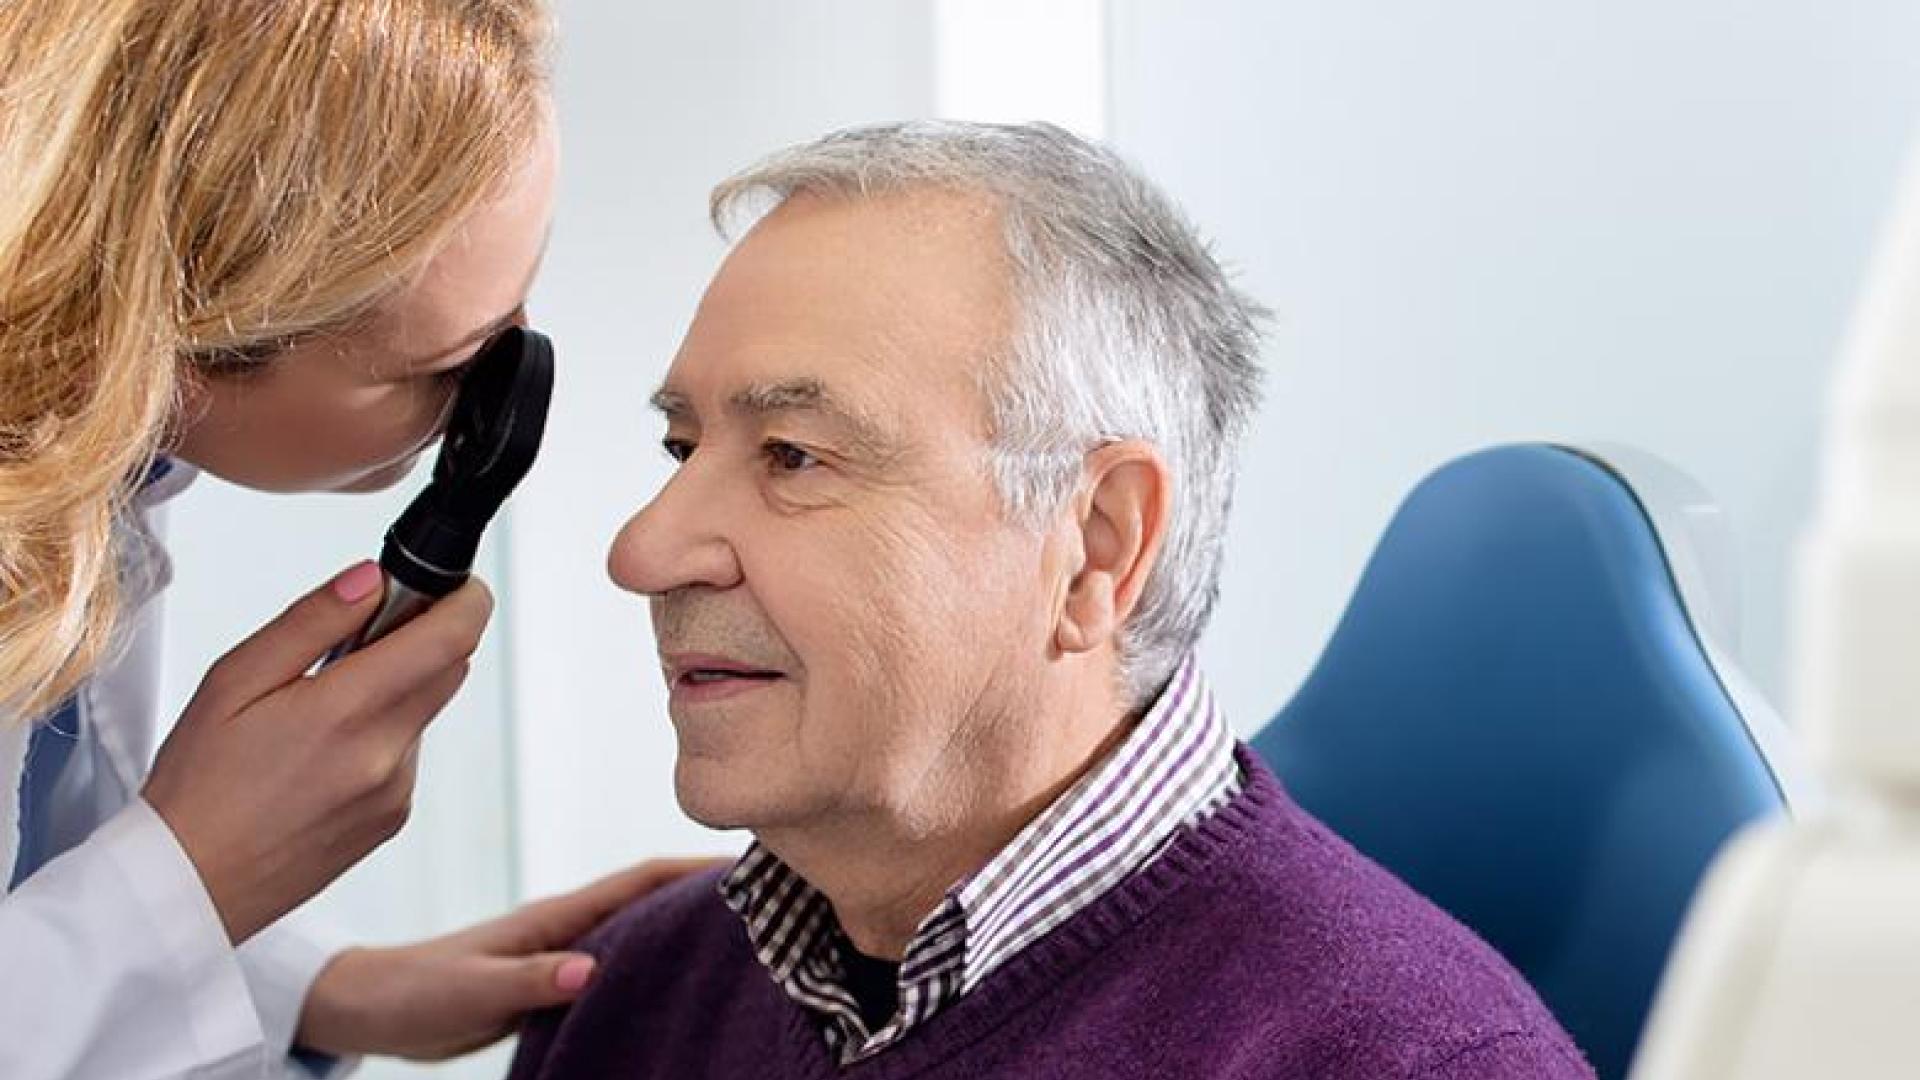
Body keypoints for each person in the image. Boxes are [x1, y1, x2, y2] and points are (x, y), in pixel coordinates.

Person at [508, 121, 1598, 1079]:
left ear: (1095, 545)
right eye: (682, 446)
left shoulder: (1407, 1061)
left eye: (794, 456)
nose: (645, 549)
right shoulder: (627, 1000)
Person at [0, 3, 703, 1077]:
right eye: (447, 365)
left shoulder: (102, 474)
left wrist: (322, 990)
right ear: (191, 327)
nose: (486, 405)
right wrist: (193, 876)